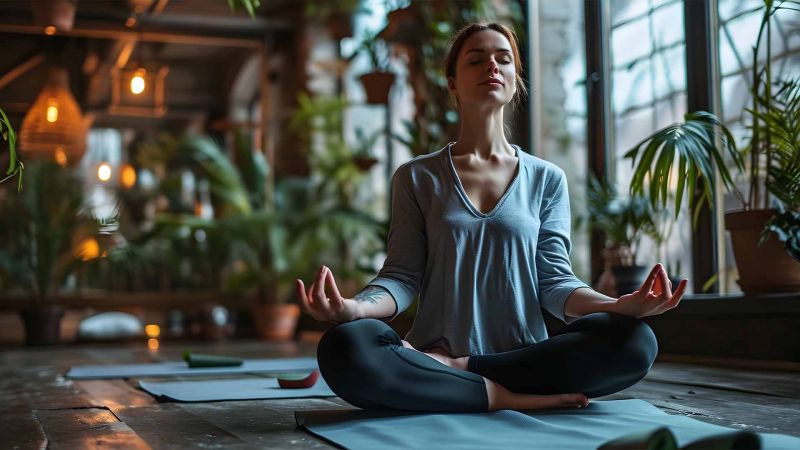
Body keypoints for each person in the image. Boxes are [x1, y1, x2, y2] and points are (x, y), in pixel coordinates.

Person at [295, 22, 688, 413]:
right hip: (435, 352)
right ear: (451, 83)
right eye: (476, 60)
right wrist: (355, 309)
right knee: (346, 345)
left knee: (637, 342)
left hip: (517, 360)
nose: (492, 68)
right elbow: (402, 277)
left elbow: (556, 284)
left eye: (504, 60)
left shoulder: (547, 179)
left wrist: (621, 305)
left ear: (516, 80)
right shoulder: (417, 177)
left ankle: (461, 375)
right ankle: (504, 396)